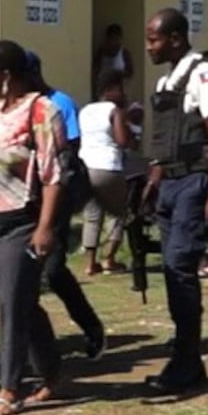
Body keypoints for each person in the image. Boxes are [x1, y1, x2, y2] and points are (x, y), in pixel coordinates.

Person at [0, 40, 67, 415]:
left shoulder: (43, 111)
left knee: (10, 305)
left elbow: (52, 173)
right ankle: (52, 372)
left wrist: (45, 227)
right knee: (22, 300)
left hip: (22, 222)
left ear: (6, 76)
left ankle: (9, 389)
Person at [141, 8, 208, 395]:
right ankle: (186, 359)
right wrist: (154, 179)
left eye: (154, 39)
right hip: (171, 184)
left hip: (195, 183)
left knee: (180, 267)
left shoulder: (203, 75)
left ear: (175, 38)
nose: (149, 47)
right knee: (173, 271)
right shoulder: (168, 80)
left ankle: (187, 360)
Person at [25, 52, 108, 359]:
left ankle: (91, 328)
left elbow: (68, 151)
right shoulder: (21, 107)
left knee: (54, 269)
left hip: (56, 196)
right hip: (26, 200)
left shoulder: (59, 103)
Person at [79, 71, 134, 277]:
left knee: (92, 216)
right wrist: (130, 127)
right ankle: (109, 259)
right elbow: (121, 141)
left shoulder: (85, 110)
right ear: (111, 89)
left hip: (87, 166)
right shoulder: (114, 110)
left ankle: (90, 263)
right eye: (121, 89)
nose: (124, 93)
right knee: (118, 213)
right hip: (108, 166)